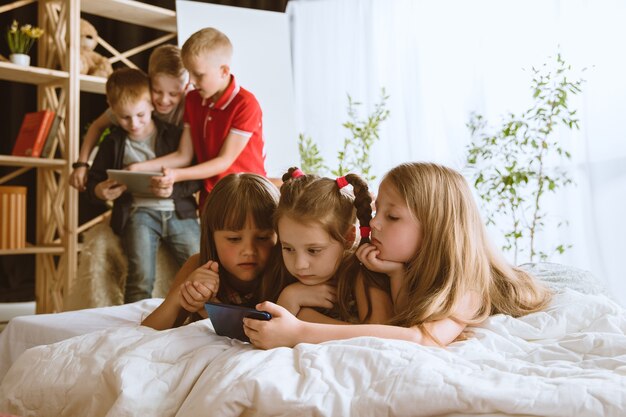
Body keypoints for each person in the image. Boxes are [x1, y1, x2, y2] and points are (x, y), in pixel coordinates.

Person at [244, 162, 553, 349]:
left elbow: (422, 339)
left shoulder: (466, 287)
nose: (373, 223)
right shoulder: (391, 266)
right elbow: (401, 321)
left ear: (434, 229)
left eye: (392, 217)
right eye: (378, 211)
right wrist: (395, 274)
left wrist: (300, 331)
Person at [86, 67, 201, 303]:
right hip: (138, 214)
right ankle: (135, 330)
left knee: (203, 265)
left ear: (151, 104)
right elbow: (93, 182)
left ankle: (208, 319)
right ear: (112, 109)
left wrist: (172, 188)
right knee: (140, 278)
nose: (134, 124)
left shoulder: (173, 135)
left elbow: (196, 176)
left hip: (179, 212)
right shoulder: (113, 142)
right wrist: (100, 190)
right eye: (124, 117)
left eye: (140, 115)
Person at [128, 27, 266, 206]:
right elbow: (184, 155)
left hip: (246, 196)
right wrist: (137, 169)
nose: (191, 80)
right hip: (210, 193)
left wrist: (176, 175)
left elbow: (223, 162)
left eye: (199, 75)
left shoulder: (246, 104)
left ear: (224, 71)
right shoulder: (193, 100)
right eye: (189, 72)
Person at [141, 173, 279, 330]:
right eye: (234, 239)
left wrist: (211, 308)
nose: (249, 251)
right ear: (211, 237)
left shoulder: (287, 273)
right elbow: (149, 329)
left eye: (262, 238)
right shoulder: (197, 265)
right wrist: (184, 295)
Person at [260, 167, 392, 325]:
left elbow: (380, 333)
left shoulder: (362, 270)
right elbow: (274, 329)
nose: (299, 265)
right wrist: (289, 298)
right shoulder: (279, 271)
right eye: (288, 248)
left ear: (348, 238)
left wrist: (304, 318)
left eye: (313, 250)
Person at [70, 44, 189, 191]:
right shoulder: (138, 103)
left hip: (174, 186)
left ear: (185, 87)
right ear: (148, 81)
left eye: (173, 94)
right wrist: (82, 164)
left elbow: (184, 156)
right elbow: (97, 126)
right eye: (157, 91)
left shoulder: (189, 106)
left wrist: (138, 168)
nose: (164, 100)